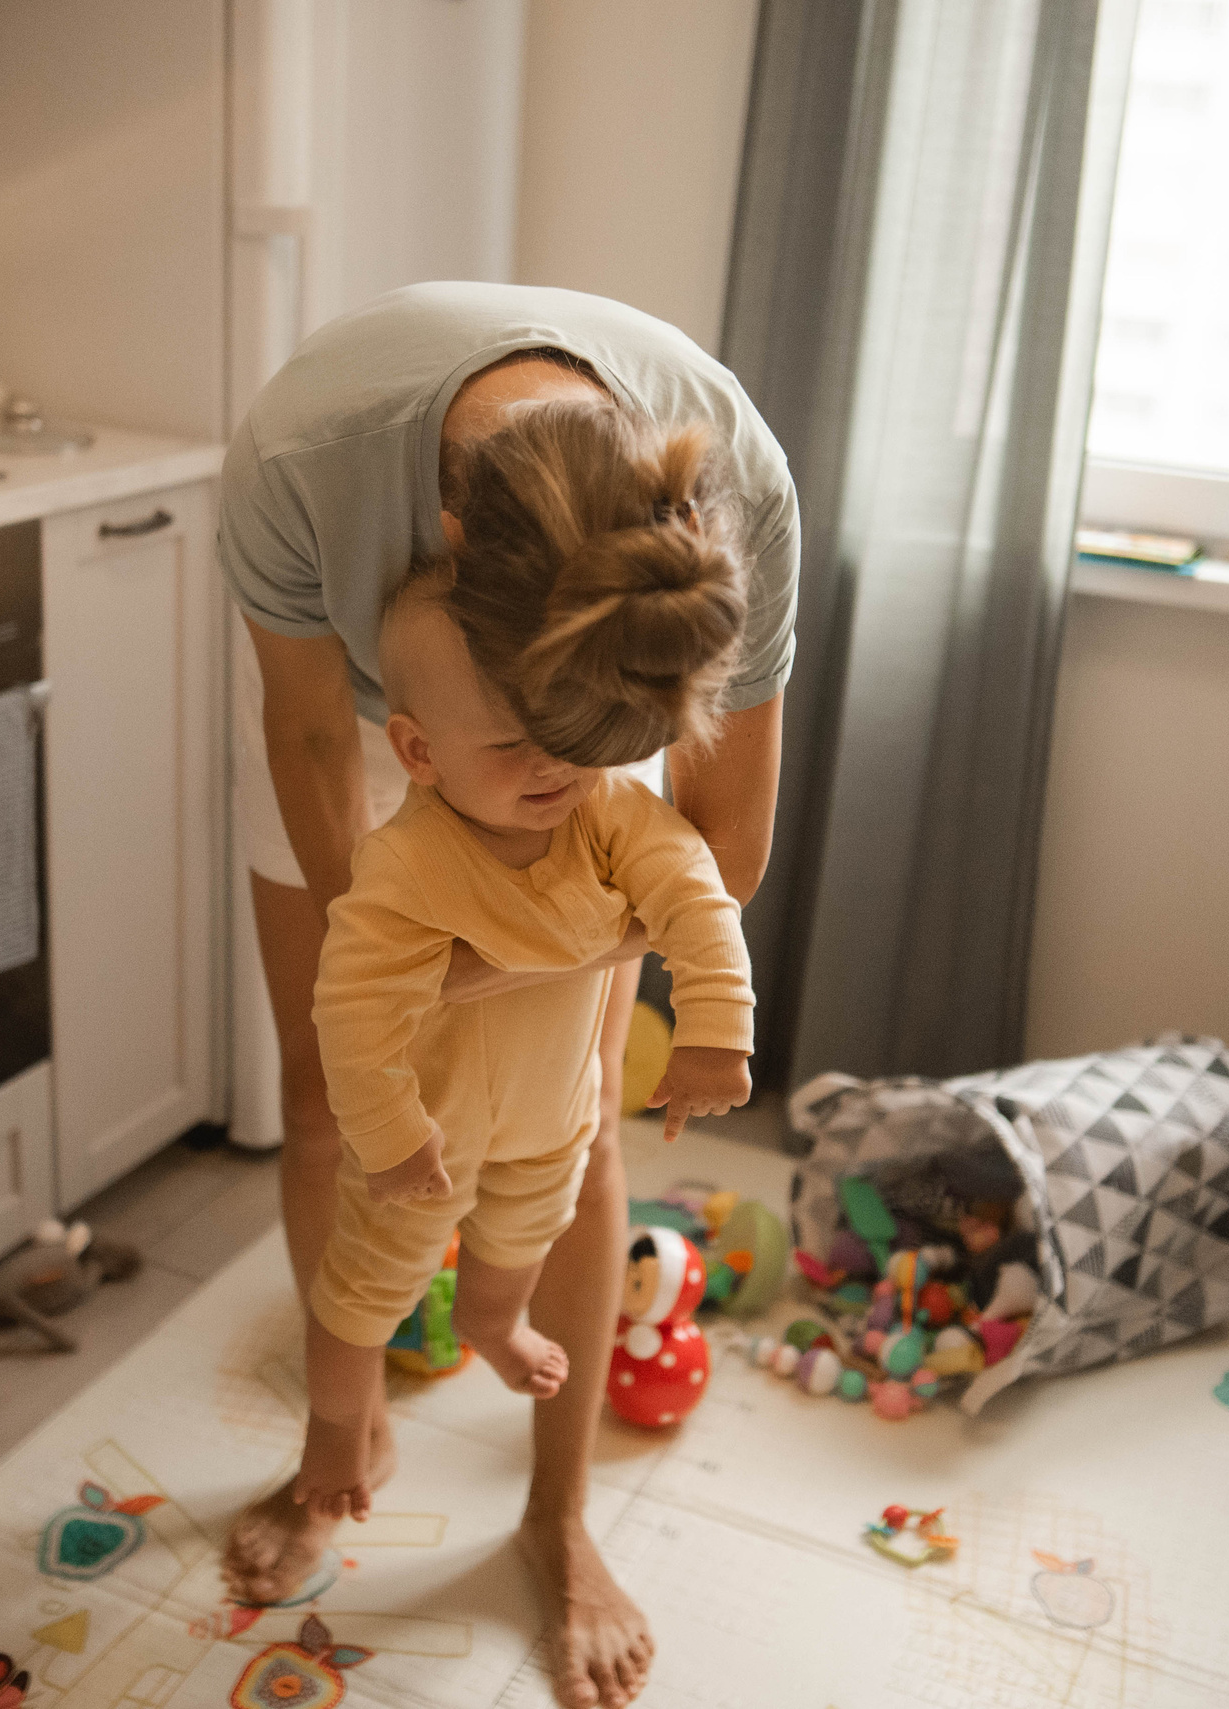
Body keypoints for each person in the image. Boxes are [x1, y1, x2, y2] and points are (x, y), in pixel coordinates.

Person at [220, 282, 796, 1709]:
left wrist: (549, 951)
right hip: (363, 731)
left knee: (580, 1119)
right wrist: (407, 973)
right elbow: (304, 736)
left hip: (585, 758)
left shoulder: (733, 484)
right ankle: (330, 1449)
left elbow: (718, 844)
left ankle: (557, 1516)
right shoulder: (304, 463)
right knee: (324, 1100)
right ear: (452, 536)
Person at [296, 427, 757, 1519]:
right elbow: (350, 1008)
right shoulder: (403, 864)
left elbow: (696, 889)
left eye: (557, 733)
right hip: (428, 1135)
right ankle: (331, 1432)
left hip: (553, 1119)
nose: (549, 763)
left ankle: (494, 1325)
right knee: (360, 1292)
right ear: (418, 751)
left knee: (517, 1251)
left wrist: (712, 1029)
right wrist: (389, 1129)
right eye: (508, 746)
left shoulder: (606, 812)